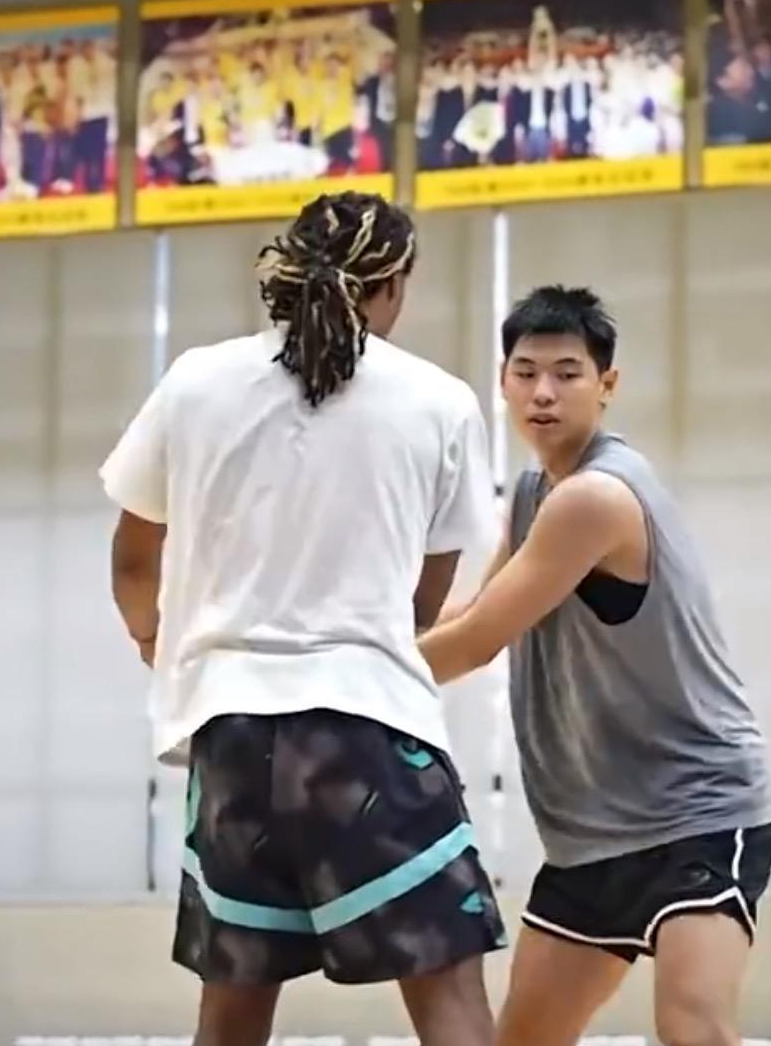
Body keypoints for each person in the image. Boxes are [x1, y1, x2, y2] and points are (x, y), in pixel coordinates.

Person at [99, 191, 505, 1046]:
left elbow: (134, 560)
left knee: (233, 1010)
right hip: (369, 728)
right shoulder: (439, 400)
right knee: (449, 998)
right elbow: (422, 601)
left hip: (231, 736)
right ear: (391, 283)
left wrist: (159, 642)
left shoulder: (195, 381)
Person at [418, 285, 771, 1046]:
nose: (543, 392)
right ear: (503, 380)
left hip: (697, 809)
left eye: (567, 373)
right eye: (525, 373)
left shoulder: (595, 497)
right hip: (591, 833)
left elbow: (480, 639)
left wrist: (345, 684)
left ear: (607, 384)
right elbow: (474, 612)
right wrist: (363, 643)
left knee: (693, 1028)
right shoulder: (533, 491)